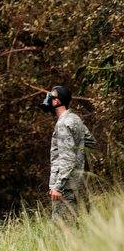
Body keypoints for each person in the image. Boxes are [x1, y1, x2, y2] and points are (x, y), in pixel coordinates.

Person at [42, 85, 95, 221]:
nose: (49, 100)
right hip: (78, 182)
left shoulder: (62, 124)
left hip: (66, 186)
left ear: (57, 101)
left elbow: (67, 158)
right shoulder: (75, 119)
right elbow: (91, 142)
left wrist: (58, 187)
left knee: (63, 230)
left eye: (52, 97)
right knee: (76, 226)